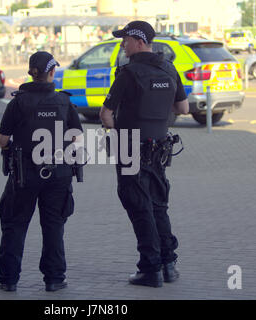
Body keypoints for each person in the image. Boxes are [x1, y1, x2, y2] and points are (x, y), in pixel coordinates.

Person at [99, 21, 189, 288]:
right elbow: (183, 107)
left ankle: (150, 269)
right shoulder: (169, 68)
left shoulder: (127, 73)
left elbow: (105, 114)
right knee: (158, 204)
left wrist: (116, 132)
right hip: (160, 149)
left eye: (125, 39)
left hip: (131, 149)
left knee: (140, 207)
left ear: (138, 41)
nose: (122, 45)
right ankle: (169, 264)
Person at [0, 51, 83, 292]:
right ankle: (54, 278)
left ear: (31, 74)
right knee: (54, 225)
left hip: (24, 174)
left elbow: (3, 139)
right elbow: (76, 136)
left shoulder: (18, 102)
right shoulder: (64, 102)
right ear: (52, 72)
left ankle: (8, 279)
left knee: (15, 224)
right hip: (58, 174)